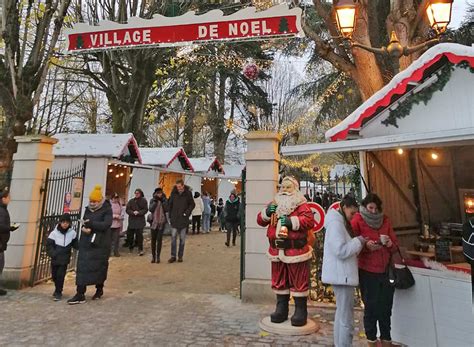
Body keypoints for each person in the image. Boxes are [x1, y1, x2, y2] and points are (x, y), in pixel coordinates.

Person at [257, 176, 315, 327]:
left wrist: (291, 222)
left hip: (295, 250)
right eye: (283, 187)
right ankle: (281, 308)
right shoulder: (275, 204)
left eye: (288, 188)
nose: (285, 190)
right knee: (279, 280)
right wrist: (266, 213)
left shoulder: (301, 205)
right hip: (276, 250)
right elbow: (260, 220)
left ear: (295, 189)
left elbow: (309, 221)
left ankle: (300, 311)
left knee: (298, 280)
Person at [351, 193, 398, 347]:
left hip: (385, 271)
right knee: (371, 307)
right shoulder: (357, 220)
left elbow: (395, 246)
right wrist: (366, 246)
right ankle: (371, 339)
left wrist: (390, 243)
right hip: (367, 270)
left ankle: (386, 340)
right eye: (370, 208)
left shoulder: (385, 220)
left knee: (385, 308)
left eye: (376, 208)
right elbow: (352, 244)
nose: (373, 211)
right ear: (365, 207)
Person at [322, 196, 365, 347]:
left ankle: (339, 344)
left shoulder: (340, 222)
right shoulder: (336, 223)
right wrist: (358, 241)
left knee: (342, 313)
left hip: (342, 275)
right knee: (346, 316)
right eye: (352, 213)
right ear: (344, 207)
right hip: (342, 275)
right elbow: (340, 250)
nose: (353, 217)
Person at [68, 185, 113, 305]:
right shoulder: (88, 209)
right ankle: (80, 293)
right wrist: (84, 227)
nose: (92, 203)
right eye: (91, 201)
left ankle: (99, 289)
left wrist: (91, 225)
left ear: (100, 200)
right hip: (86, 242)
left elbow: (106, 224)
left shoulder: (107, 209)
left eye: (94, 201)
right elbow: (85, 221)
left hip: (100, 244)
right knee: (82, 267)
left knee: (99, 267)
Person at [46, 213, 78, 301]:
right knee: (54, 276)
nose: (65, 224)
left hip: (65, 258)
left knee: (61, 275)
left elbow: (76, 244)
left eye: (67, 222)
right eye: (63, 222)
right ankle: (57, 288)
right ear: (60, 222)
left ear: (69, 223)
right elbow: (49, 245)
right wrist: (53, 253)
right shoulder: (54, 233)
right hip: (55, 258)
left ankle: (58, 292)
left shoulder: (72, 233)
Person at [168, 179, 195, 263]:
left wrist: (186, 213)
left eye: (179, 186)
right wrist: (170, 215)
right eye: (177, 187)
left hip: (183, 220)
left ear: (183, 185)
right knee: (173, 238)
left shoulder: (188, 193)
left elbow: (192, 204)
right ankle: (173, 255)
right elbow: (170, 204)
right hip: (174, 219)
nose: (178, 188)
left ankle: (180, 256)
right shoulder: (174, 193)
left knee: (182, 239)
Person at [0, 187, 19, 296]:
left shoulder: (3, 209)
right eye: (8, 197)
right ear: (3, 198)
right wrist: (10, 228)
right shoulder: (2, 211)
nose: (10, 199)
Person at [125, 189, 148, 256]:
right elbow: (127, 209)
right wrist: (132, 212)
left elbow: (145, 209)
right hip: (132, 220)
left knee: (139, 236)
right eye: (135, 193)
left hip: (140, 221)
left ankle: (140, 249)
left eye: (138, 193)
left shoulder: (144, 201)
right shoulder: (131, 201)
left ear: (140, 193)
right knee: (130, 235)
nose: (136, 194)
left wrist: (139, 212)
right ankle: (131, 247)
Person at [149, 188, 169, 264]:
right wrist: (155, 202)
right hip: (153, 222)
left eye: (160, 193)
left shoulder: (165, 200)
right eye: (158, 193)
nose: (159, 194)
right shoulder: (152, 200)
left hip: (161, 222)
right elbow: (150, 209)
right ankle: (153, 257)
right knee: (153, 240)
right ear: (155, 194)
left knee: (159, 240)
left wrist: (163, 202)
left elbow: (167, 209)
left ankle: (158, 257)